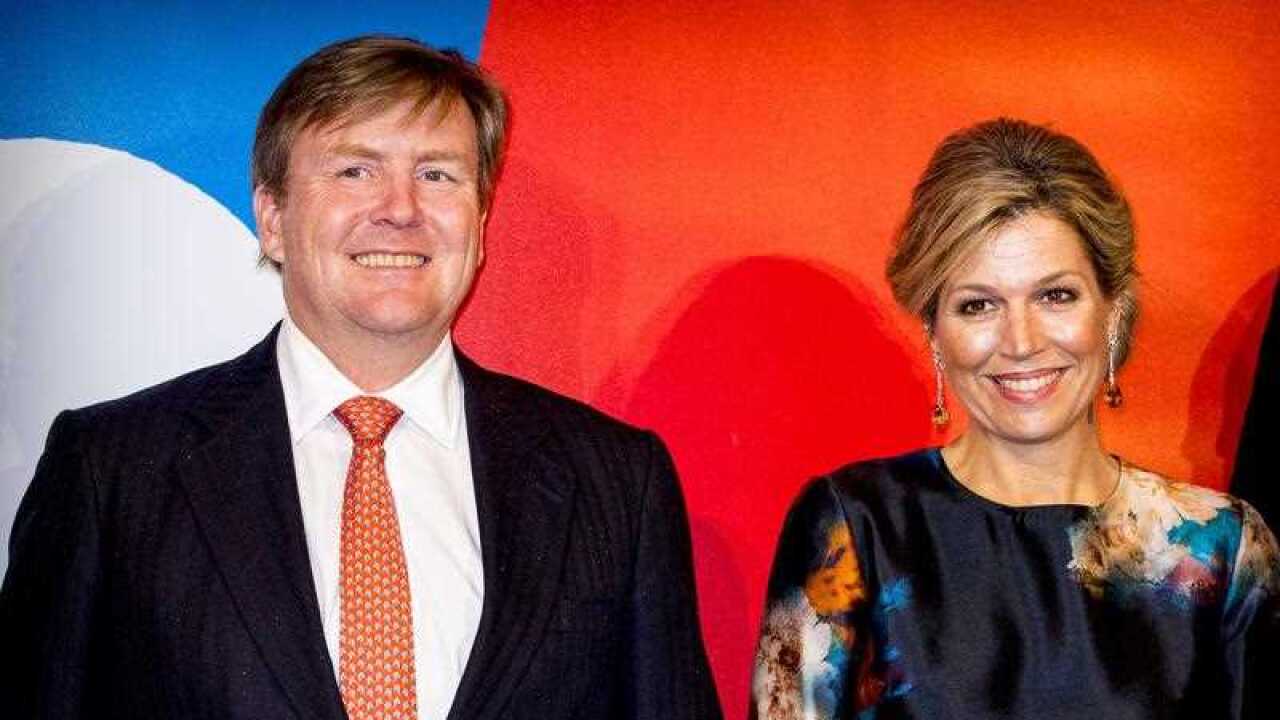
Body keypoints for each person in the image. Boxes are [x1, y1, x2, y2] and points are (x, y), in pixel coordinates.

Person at [0, 35, 721, 720]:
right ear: (273, 218)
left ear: (480, 224)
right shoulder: (112, 471)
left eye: (437, 174)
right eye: (355, 170)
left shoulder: (616, 482)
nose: (401, 210)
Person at [749, 118, 1280, 719]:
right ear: (934, 332)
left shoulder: (1223, 549)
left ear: (1112, 309)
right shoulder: (855, 525)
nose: (1021, 341)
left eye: (1056, 295)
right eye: (978, 305)